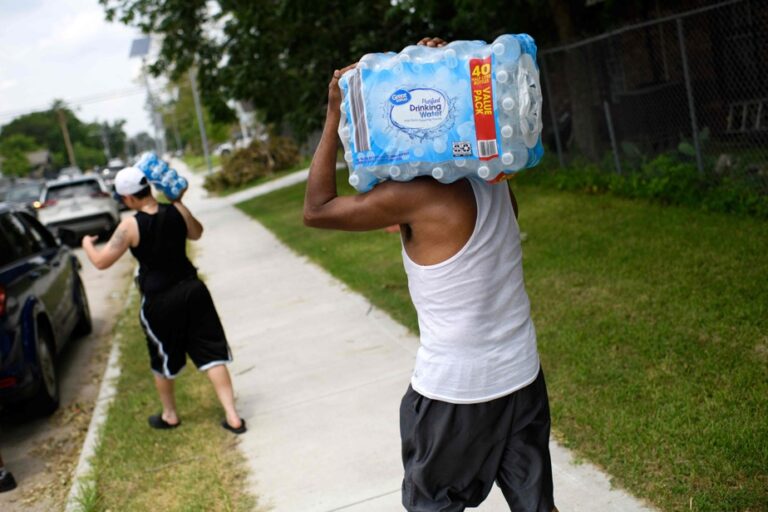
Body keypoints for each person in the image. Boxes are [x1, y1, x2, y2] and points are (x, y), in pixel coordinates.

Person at [303, 37, 557, 512]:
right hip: (521, 375)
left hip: (458, 392)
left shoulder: (416, 196)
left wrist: (334, 112)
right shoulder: (491, 177)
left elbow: (316, 210)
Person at [81, 167, 246, 435]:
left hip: (160, 301)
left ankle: (170, 415)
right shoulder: (176, 210)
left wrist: (87, 243)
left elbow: (100, 262)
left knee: (162, 358)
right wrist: (179, 202)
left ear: (129, 199)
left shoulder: (130, 226)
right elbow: (197, 233)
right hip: (193, 290)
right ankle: (233, 416)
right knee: (212, 353)